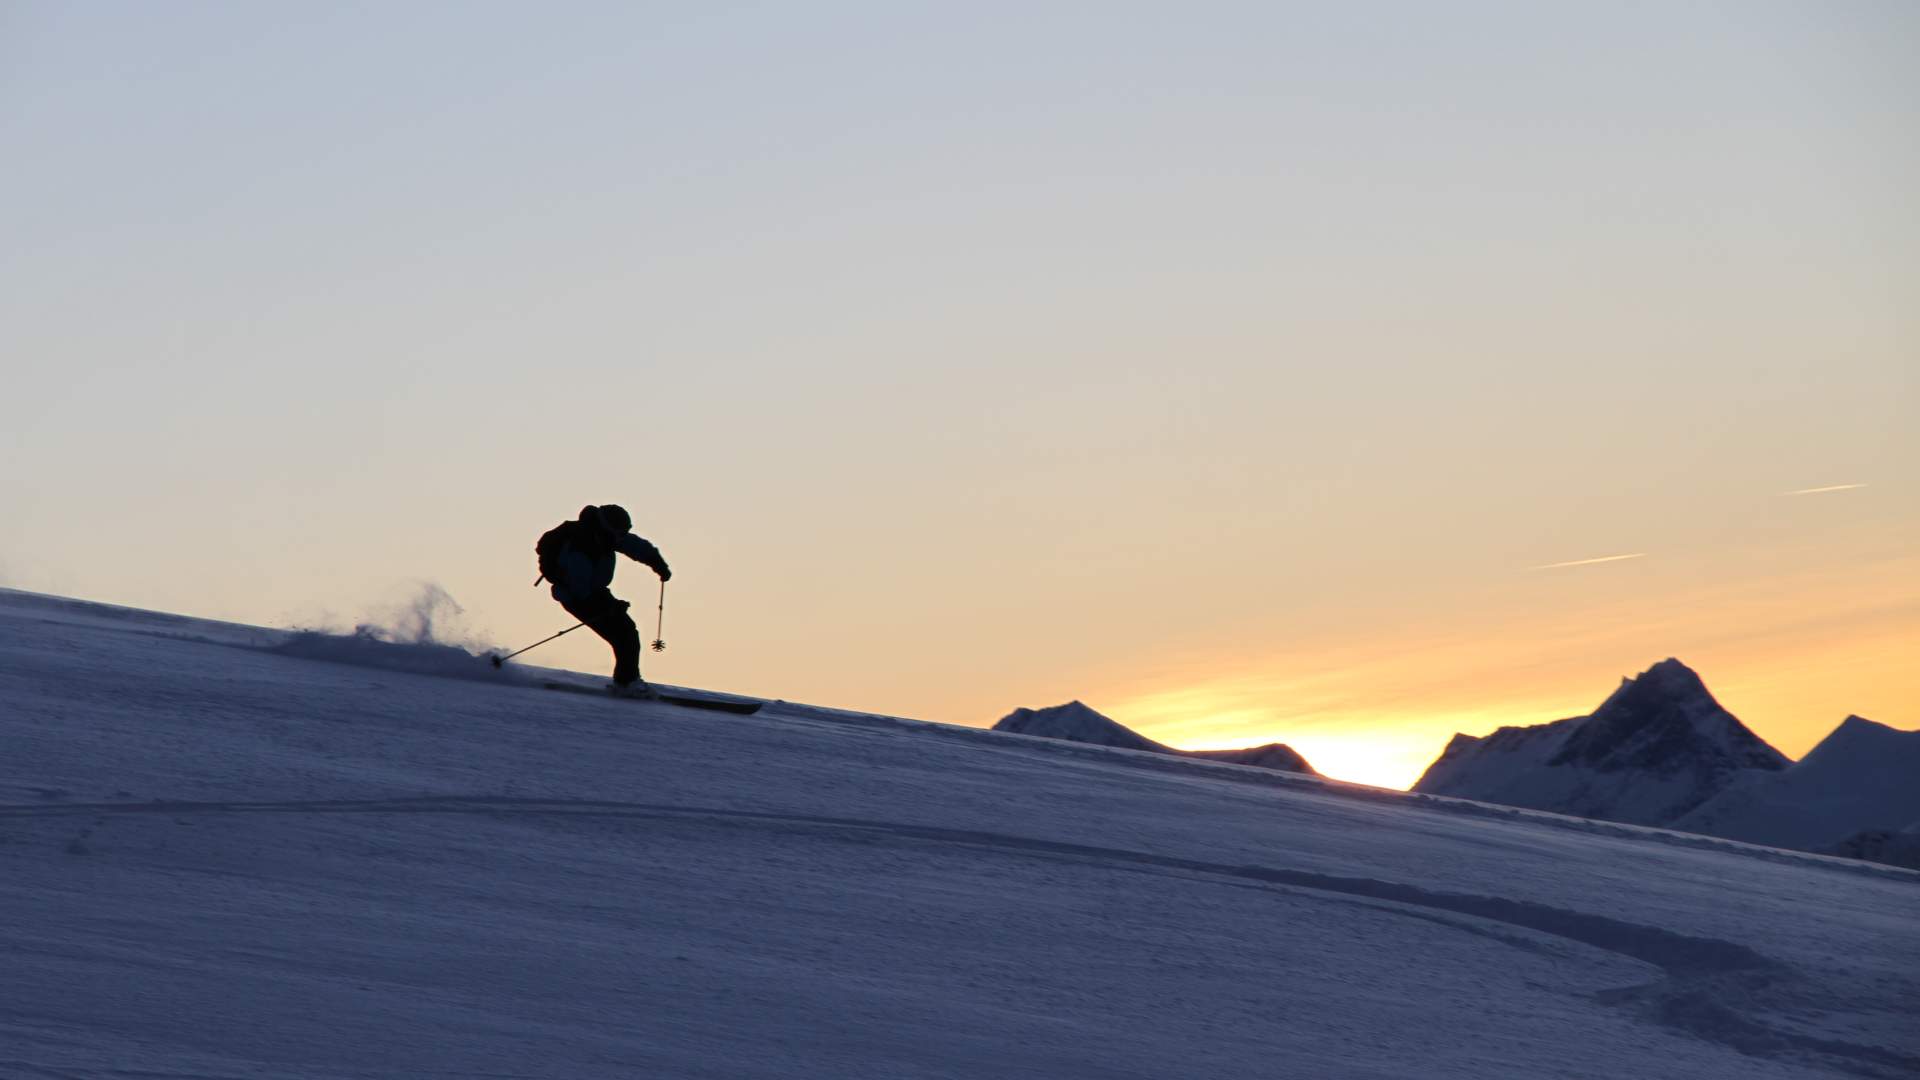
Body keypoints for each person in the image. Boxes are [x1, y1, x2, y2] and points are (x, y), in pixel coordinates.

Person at [535, 504, 670, 693]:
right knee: (625, 635)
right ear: (607, 528)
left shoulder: (605, 537)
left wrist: (658, 564)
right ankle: (626, 683)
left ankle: (626, 681)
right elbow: (580, 591)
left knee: (626, 634)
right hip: (577, 598)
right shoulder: (581, 549)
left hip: (595, 592)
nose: (622, 536)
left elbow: (636, 546)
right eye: (620, 532)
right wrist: (611, 606)